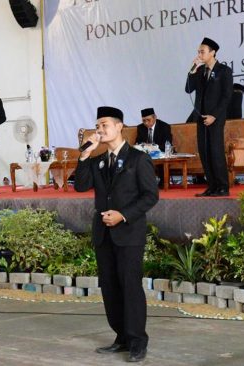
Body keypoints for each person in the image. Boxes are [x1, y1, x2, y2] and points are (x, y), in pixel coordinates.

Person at [75, 106, 158, 363]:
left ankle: (137, 341)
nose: (100, 129)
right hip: (103, 234)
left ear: (119, 126)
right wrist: (85, 154)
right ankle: (121, 336)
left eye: (104, 125)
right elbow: (80, 185)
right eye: (97, 126)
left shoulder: (137, 159)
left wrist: (123, 214)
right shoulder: (98, 160)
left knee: (130, 286)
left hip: (128, 232)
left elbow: (150, 196)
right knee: (110, 286)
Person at [185, 37, 233, 197]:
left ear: (212, 52)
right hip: (201, 117)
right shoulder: (199, 71)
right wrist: (192, 70)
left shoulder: (224, 71)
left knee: (215, 151)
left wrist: (214, 115)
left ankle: (223, 186)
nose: (199, 54)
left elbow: (226, 97)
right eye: (198, 51)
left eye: (202, 51)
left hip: (215, 118)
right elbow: (188, 89)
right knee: (204, 152)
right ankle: (212, 186)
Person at [135, 108, 173, 188]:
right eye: (144, 121)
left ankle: (163, 183)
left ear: (155, 117)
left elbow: (167, 143)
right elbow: (138, 142)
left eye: (148, 120)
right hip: (146, 153)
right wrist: (143, 146)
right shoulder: (140, 128)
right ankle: (143, 185)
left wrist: (154, 147)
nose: (146, 123)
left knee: (161, 159)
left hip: (161, 152)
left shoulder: (164, 126)